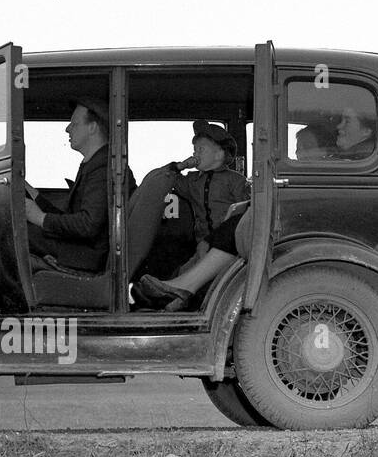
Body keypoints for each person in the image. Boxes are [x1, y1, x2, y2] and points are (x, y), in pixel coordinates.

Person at [130, 123, 252, 312]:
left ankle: (173, 300)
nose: (196, 154)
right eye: (194, 150)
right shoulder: (192, 181)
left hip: (227, 245)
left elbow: (244, 212)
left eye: (201, 149)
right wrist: (180, 166)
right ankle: (158, 299)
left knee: (197, 274)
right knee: (183, 270)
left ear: (219, 155)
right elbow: (166, 178)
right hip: (201, 243)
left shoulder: (235, 181)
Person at [22, 97, 135, 271]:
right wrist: (32, 193)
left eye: (74, 124)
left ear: (92, 127)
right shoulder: (95, 163)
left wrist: (40, 218)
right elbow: (73, 218)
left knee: (15, 233)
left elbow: (87, 225)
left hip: (86, 257)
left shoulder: (104, 167)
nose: (67, 128)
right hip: (81, 250)